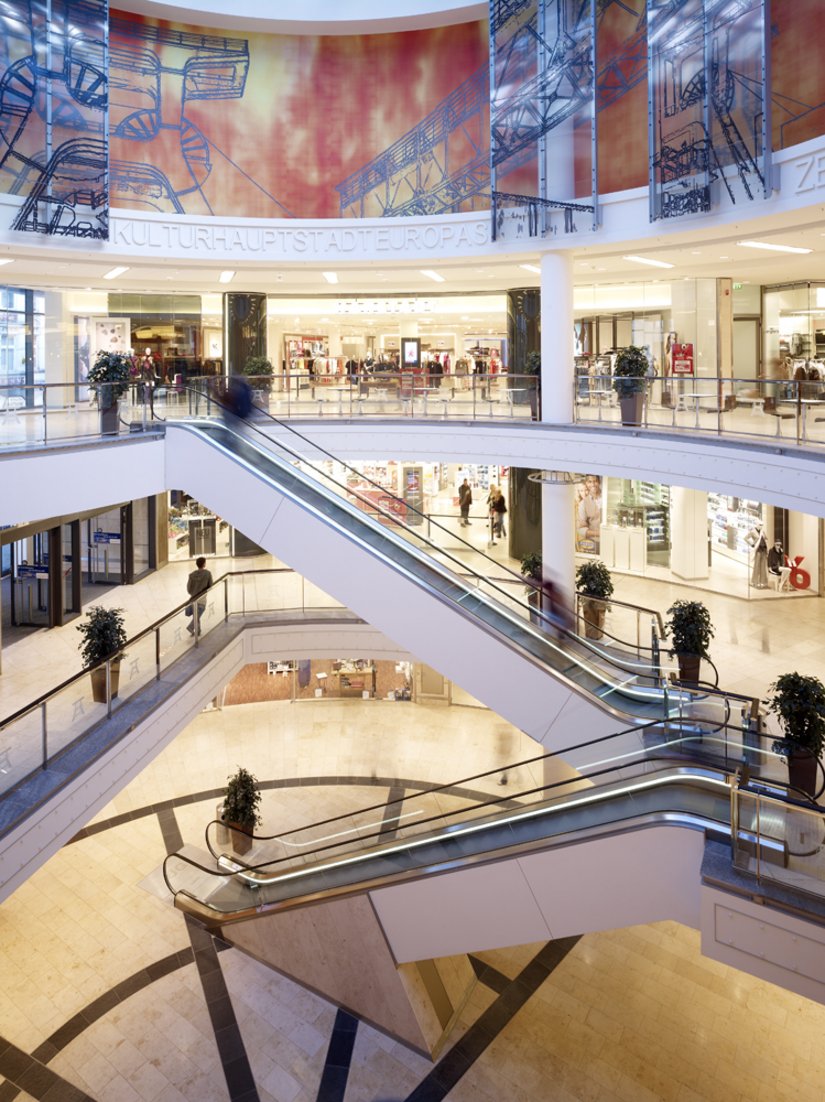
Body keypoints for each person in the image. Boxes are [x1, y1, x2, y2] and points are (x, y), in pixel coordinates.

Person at [186, 556, 213, 635]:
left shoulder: (191, 575)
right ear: (204, 564)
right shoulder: (207, 573)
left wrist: (194, 592)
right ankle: (191, 627)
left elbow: (189, 589)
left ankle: (198, 631)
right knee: (197, 615)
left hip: (193, 599)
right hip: (202, 599)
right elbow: (210, 585)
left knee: (196, 615)